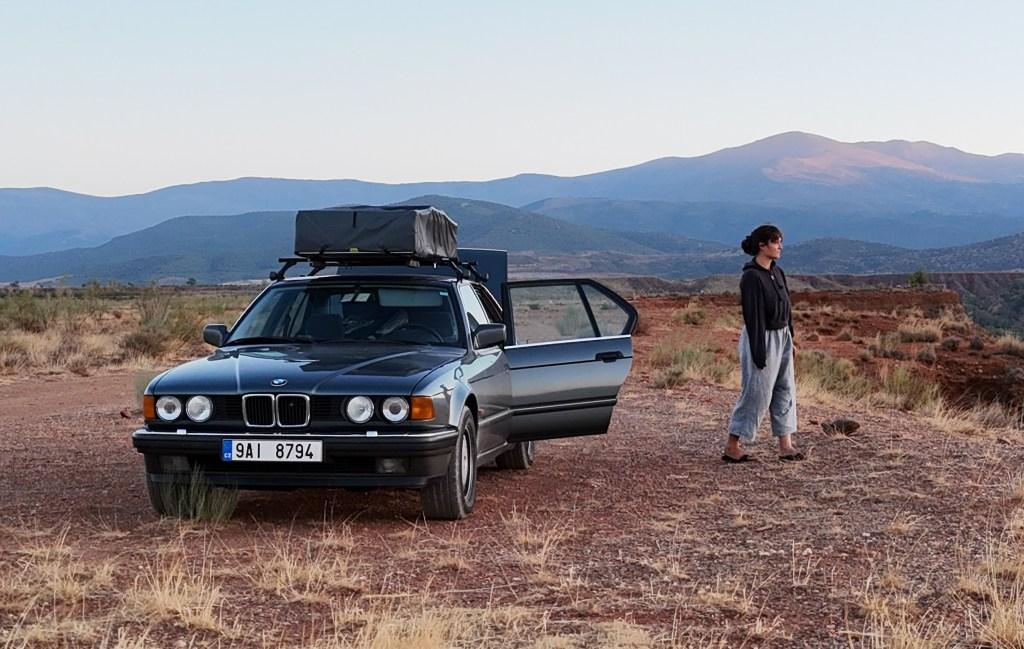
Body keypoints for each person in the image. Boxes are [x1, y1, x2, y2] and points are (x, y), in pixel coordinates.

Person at [723, 224, 804, 463]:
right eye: (776, 241)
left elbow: (786, 308)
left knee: (785, 389)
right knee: (757, 392)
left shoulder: (777, 273)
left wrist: (791, 338)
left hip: (782, 338)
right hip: (762, 338)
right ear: (762, 245)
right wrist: (759, 353)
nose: (780, 246)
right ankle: (732, 445)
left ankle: (785, 445)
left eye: (780, 241)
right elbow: (753, 317)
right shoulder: (751, 277)